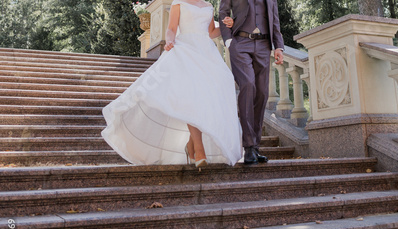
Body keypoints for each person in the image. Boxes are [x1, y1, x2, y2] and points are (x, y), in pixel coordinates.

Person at [101, 0, 242, 169]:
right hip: (185, 51)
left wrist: (229, 26)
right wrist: (169, 41)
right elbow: (171, 28)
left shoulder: (209, 6)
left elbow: (211, 32)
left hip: (206, 54)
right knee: (192, 98)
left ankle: (191, 144)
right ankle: (199, 149)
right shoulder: (179, 2)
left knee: (212, 93)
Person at [219, 0, 284, 164]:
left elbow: (274, 19)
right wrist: (228, 41)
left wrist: (278, 47)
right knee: (248, 85)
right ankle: (248, 147)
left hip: (263, 45)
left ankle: (255, 147)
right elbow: (223, 13)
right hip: (240, 43)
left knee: (262, 93)